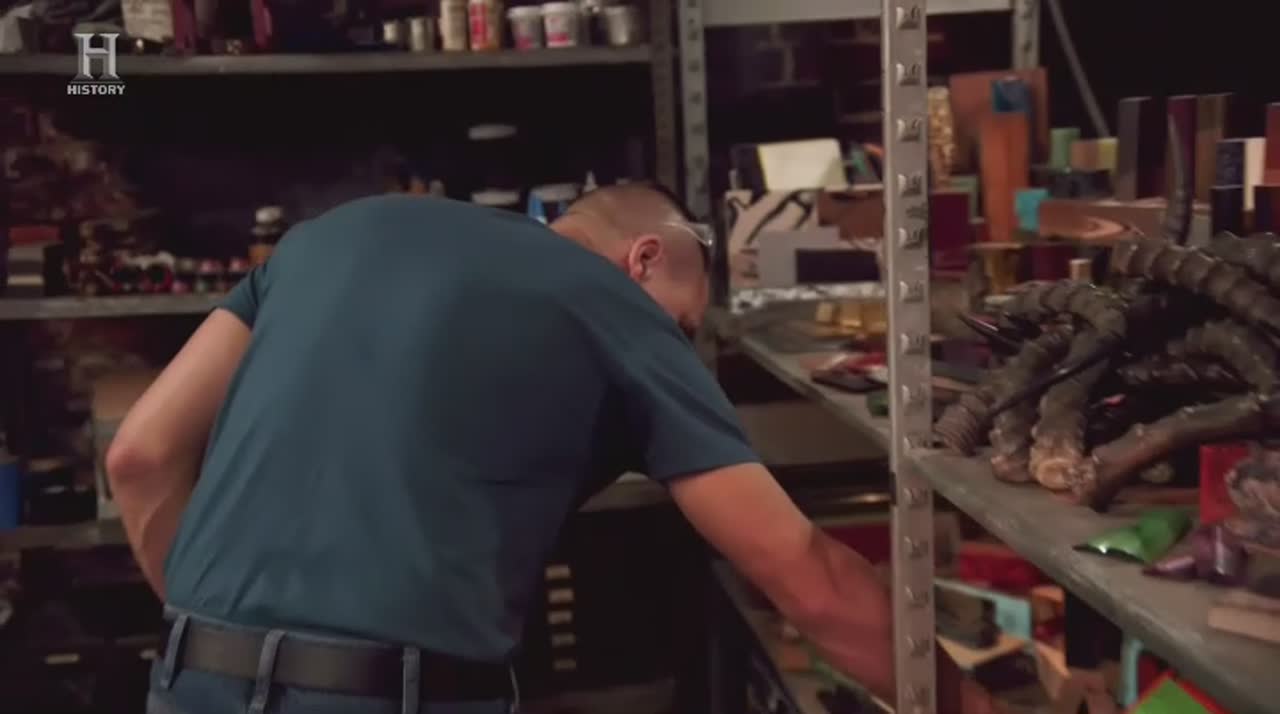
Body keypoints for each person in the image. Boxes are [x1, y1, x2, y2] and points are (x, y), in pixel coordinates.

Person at [107, 185, 999, 714]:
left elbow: (140, 457)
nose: (680, 351)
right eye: (686, 327)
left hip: (191, 676)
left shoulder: (324, 238)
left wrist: (221, 635)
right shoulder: (614, 308)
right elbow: (808, 578)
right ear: (643, 259)